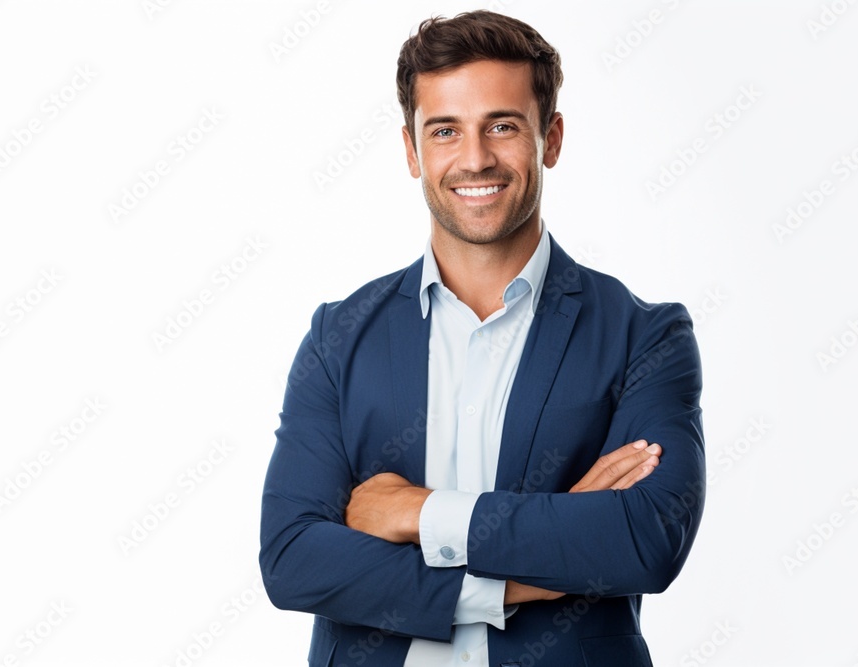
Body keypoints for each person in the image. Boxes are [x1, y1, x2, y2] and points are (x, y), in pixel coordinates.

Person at [259, 10, 705, 666]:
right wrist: (525, 572)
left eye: (502, 125)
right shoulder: (339, 337)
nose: (475, 159)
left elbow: (646, 539)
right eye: (445, 130)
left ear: (551, 138)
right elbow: (293, 558)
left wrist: (417, 513)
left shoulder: (645, 336)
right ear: (412, 151)